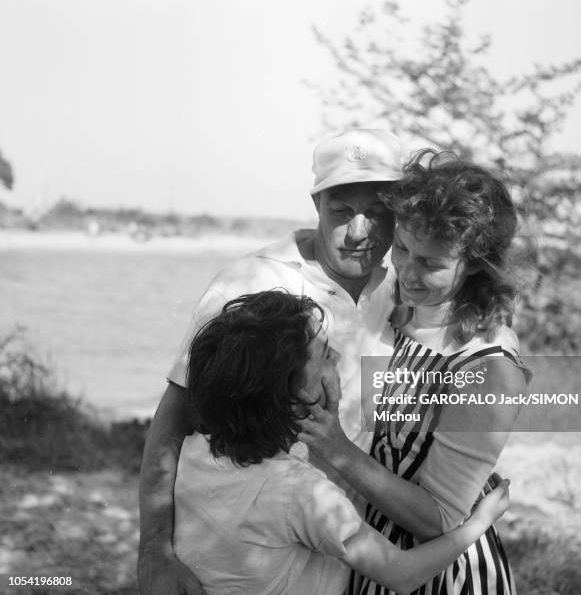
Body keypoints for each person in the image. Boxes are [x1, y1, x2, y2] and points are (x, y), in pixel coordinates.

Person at [138, 128, 406, 594]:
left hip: (349, 562)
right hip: (240, 568)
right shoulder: (249, 282)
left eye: (379, 213)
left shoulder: (405, 291)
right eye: (342, 211)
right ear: (317, 202)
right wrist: (156, 553)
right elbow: (177, 413)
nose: (360, 232)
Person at [299, 150, 532, 594]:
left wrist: (337, 450)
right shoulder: (401, 304)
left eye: (430, 263)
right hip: (375, 559)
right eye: (403, 248)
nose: (406, 270)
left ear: (476, 265)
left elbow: (439, 519)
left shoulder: (488, 367)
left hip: (440, 574)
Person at [175, 289, 511, 595]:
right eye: (323, 355)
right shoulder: (303, 494)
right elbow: (403, 574)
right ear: (294, 398)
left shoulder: (193, 452)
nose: (336, 356)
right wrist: (479, 523)